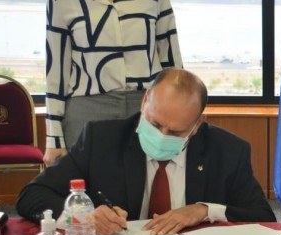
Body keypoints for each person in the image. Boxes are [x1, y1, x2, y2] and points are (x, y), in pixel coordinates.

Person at [17, 68, 275, 235]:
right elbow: (31, 195)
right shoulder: (101, 139)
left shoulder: (227, 150)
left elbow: (264, 218)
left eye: (175, 132)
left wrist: (203, 210)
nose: (162, 136)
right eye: (154, 124)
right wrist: (82, 218)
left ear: (197, 125)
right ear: (144, 101)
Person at [43, 0, 183, 166]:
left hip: (146, 111)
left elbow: (172, 62)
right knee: (87, 188)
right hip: (86, 113)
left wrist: (180, 116)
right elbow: (56, 72)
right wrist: (54, 139)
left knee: (146, 187)